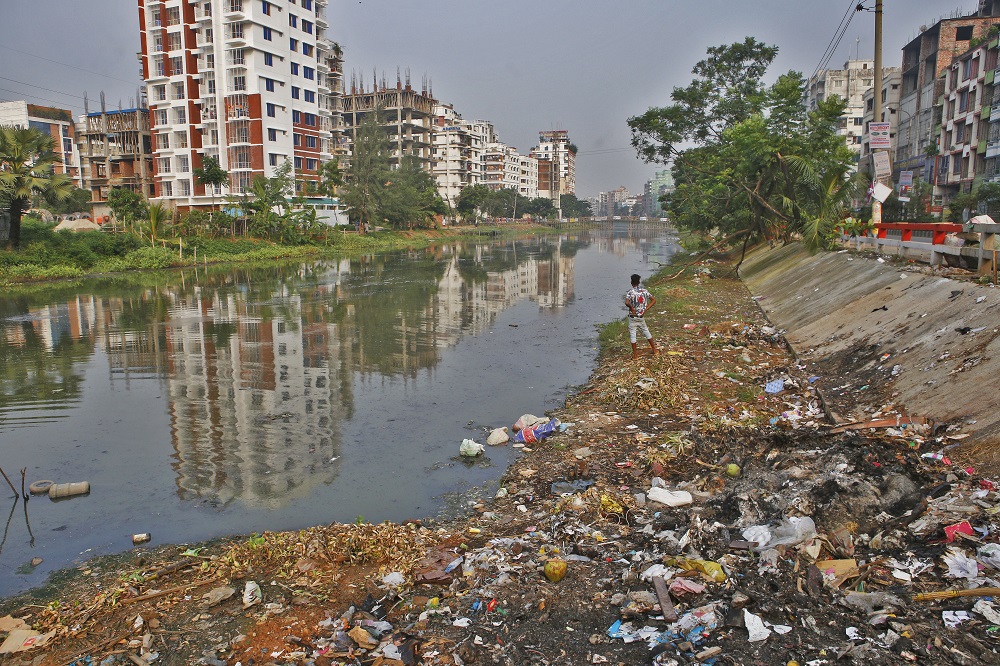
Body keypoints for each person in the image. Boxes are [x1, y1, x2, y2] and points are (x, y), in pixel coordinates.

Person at [624, 273, 658, 359]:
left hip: (632, 317)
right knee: (646, 332)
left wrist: (631, 308)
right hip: (641, 316)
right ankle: (654, 350)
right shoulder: (644, 291)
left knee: (633, 334)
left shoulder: (630, 292)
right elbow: (654, 300)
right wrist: (646, 309)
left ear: (631, 282)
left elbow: (627, 302)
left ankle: (635, 355)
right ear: (639, 282)